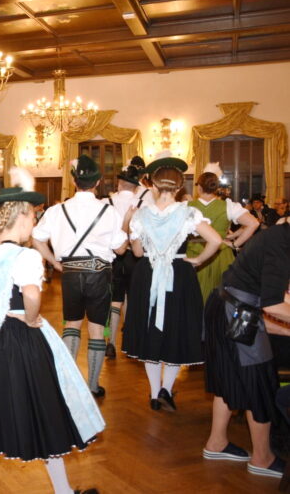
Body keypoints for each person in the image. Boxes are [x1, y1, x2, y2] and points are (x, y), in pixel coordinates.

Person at [0, 170, 104, 494]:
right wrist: (30, 319)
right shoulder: (25, 255)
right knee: (44, 410)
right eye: (32, 216)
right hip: (20, 340)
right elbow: (30, 294)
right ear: (22, 218)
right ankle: (63, 491)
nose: (34, 221)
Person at [122, 153, 221, 411]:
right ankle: (167, 388)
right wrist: (198, 260)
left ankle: (155, 394)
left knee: (150, 331)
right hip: (179, 274)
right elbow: (216, 240)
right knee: (177, 329)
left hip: (147, 274)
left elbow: (137, 253)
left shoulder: (140, 215)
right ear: (179, 187)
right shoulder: (189, 214)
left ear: (153, 186)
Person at [32, 154, 127, 398]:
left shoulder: (56, 210)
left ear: (74, 182)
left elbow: (36, 238)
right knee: (97, 329)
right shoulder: (108, 211)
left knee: (71, 326)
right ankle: (93, 385)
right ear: (98, 182)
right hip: (99, 273)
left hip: (70, 273)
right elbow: (120, 250)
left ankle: (68, 383)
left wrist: (54, 262)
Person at [202, 221, 289, 479]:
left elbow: (271, 293)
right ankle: (262, 458)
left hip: (225, 305)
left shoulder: (278, 235)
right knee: (258, 383)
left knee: (229, 379)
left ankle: (216, 443)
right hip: (238, 313)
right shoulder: (281, 243)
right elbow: (273, 305)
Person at [188, 164, 258, 303]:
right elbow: (253, 223)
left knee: (193, 296)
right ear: (216, 188)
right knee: (220, 299)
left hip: (194, 253)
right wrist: (234, 244)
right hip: (221, 253)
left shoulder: (186, 207)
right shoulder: (228, 206)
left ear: (199, 188)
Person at [104, 162, 147, 359]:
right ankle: (130, 340)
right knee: (132, 297)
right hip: (136, 255)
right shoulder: (144, 204)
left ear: (119, 183)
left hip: (113, 256)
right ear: (136, 186)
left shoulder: (106, 203)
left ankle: (111, 342)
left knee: (115, 300)